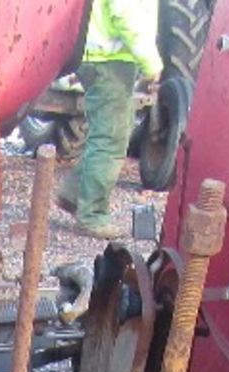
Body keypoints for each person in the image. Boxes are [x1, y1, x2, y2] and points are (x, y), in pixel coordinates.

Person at [56, 0, 162, 239]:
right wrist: (151, 63)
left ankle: (73, 194)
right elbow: (125, 13)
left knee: (109, 133)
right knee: (110, 140)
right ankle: (92, 215)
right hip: (109, 60)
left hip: (101, 56)